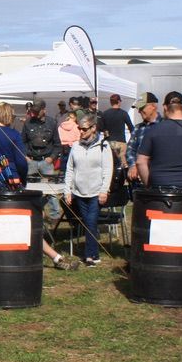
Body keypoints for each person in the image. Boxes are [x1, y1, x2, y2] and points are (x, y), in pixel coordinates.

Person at [0, 102, 78, 270]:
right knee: (24, 223)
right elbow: (21, 162)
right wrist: (20, 180)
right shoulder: (13, 135)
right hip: (10, 186)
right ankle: (55, 256)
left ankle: (55, 257)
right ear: (8, 116)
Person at [135, 91, 182, 206]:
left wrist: (149, 185)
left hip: (159, 191)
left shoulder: (153, 132)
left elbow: (140, 162)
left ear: (165, 107)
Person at [63, 114, 114, 267]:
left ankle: (89, 256)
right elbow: (70, 169)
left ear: (93, 128)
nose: (81, 131)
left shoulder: (103, 146)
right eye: (79, 128)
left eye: (84, 129)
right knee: (87, 223)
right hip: (79, 192)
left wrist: (104, 190)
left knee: (91, 222)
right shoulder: (76, 146)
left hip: (96, 192)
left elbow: (108, 169)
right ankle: (94, 254)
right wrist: (67, 190)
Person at [20, 99, 62, 219]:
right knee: (29, 189)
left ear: (44, 110)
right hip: (31, 160)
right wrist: (25, 157)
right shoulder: (28, 123)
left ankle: (55, 216)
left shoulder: (52, 123)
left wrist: (52, 158)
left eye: (38, 111)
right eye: (34, 111)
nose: (35, 113)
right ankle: (32, 212)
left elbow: (57, 144)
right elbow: (22, 142)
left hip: (46, 161)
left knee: (51, 190)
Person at [125, 92, 160, 185]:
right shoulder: (138, 128)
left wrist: (144, 167)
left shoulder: (164, 125)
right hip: (138, 181)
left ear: (153, 106)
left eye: (141, 108)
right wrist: (133, 166)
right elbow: (130, 149)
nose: (139, 111)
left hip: (158, 178)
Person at [100, 94, 135, 164]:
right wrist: (132, 141)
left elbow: (101, 128)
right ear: (119, 101)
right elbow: (132, 128)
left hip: (109, 142)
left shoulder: (105, 114)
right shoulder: (124, 113)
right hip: (121, 142)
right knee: (123, 165)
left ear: (111, 102)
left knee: (108, 165)